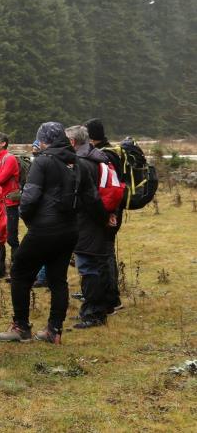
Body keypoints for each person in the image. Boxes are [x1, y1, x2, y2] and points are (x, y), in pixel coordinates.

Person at [0, 122, 105, 345]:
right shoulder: (78, 162)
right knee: (58, 280)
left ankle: (21, 326)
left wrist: (31, 221)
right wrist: (103, 220)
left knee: (19, 273)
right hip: (70, 230)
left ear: (44, 140)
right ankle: (54, 330)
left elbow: (29, 198)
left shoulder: (43, 161)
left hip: (44, 229)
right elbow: (91, 197)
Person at [66, 125, 116, 328]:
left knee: (88, 267)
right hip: (96, 221)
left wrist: (102, 217)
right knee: (97, 265)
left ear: (72, 142)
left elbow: (89, 197)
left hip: (88, 222)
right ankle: (97, 309)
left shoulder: (82, 163)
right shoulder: (99, 157)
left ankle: (93, 314)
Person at [84, 118, 124, 314]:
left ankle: (111, 298)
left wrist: (110, 213)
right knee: (105, 252)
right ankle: (104, 291)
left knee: (105, 253)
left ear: (91, 136)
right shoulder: (112, 152)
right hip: (112, 209)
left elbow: (111, 189)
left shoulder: (103, 155)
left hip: (109, 211)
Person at [0, 132, 20, 278]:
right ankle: (0, 270)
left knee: (11, 238)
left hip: (10, 203)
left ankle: (16, 269)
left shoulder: (10, 158)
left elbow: (0, 179)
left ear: (3, 143)